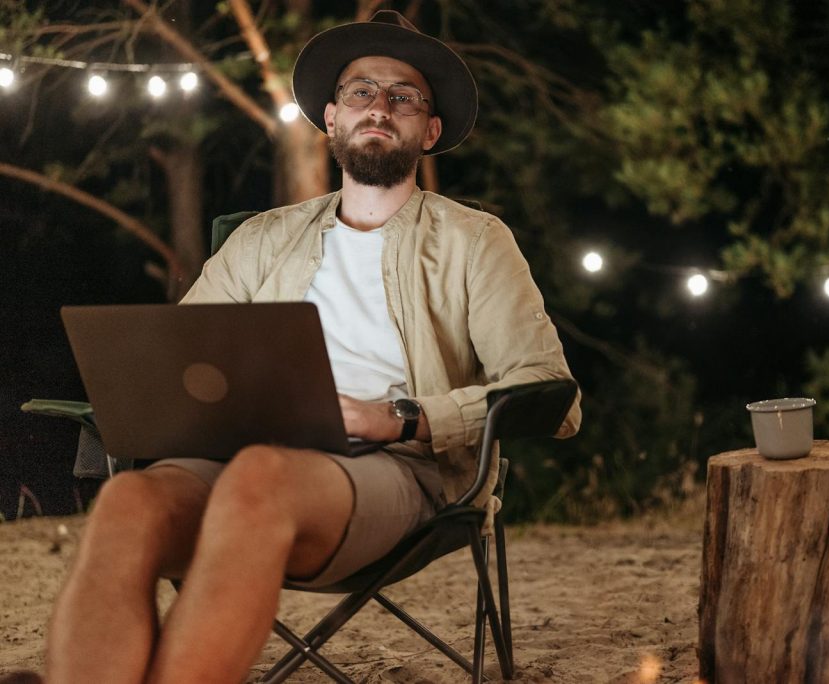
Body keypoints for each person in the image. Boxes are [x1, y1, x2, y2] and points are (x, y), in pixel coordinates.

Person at [38, 10, 580, 684]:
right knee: (128, 504)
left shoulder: (475, 242)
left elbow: (552, 392)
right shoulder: (263, 239)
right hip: (241, 459)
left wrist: (405, 417)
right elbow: (183, 361)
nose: (380, 106)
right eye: (361, 91)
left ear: (430, 131)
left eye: (405, 96)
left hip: (396, 471)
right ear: (331, 119)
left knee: (259, 477)